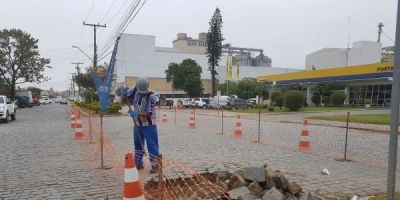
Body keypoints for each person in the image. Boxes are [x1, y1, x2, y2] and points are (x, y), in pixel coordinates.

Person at [128, 77, 160, 174]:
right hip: (137, 124)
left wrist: (136, 113)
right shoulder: (136, 91)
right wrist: (124, 94)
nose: (141, 93)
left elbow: (149, 113)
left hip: (149, 125)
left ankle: (155, 165)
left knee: (152, 145)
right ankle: (138, 164)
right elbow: (128, 98)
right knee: (137, 143)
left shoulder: (151, 96)